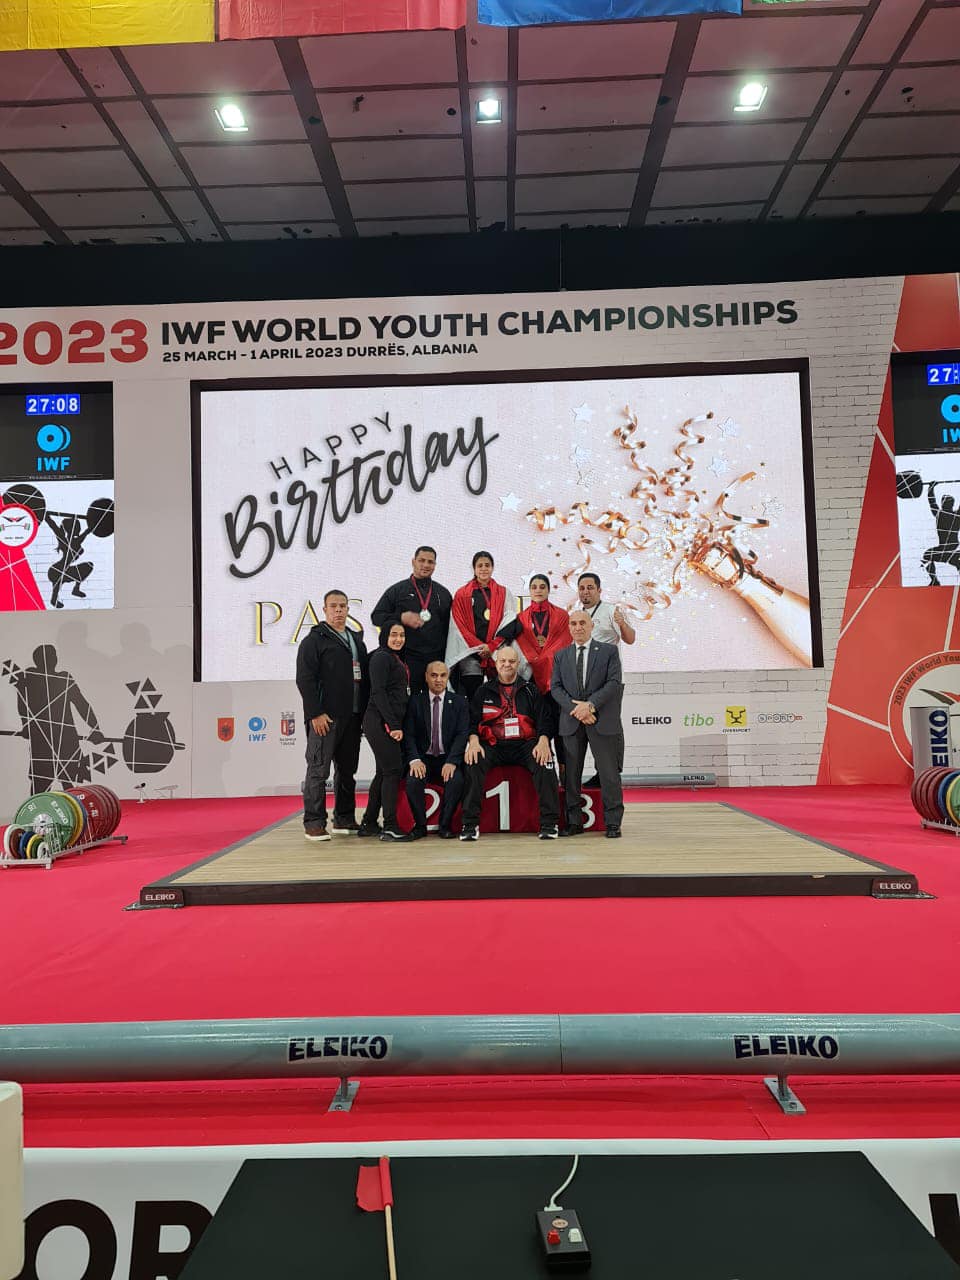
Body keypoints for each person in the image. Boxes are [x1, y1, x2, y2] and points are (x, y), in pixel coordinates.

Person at [460, 645, 560, 841]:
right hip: (493, 744)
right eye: (503, 661)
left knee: (546, 762)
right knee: (473, 761)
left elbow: (544, 720)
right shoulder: (483, 691)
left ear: (518, 664)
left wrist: (543, 740)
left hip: (524, 744)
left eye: (512, 661)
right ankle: (469, 824)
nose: (507, 664)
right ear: (495, 664)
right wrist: (473, 741)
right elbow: (472, 721)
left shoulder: (530, 690)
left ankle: (549, 823)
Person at [295, 589, 369, 842]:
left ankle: (344, 818)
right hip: (325, 718)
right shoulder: (314, 641)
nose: (338, 610)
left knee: (347, 771)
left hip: (353, 716)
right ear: (324, 610)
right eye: (333, 606)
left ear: (348, 609)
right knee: (318, 771)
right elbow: (305, 679)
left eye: (343, 606)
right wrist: (315, 713)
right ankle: (314, 823)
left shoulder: (356, 640)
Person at [552, 611, 625, 839]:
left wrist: (590, 706)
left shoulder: (609, 651)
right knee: (571, 776)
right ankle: (574, 822)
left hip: (602, 720)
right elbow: (556, 688)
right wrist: (578, 710)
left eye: (582, 623)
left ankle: (613, 823)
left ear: (592, 625)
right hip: (572, 722)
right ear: (569, 628)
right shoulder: (560, 655)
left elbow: (614, 683)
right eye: (573, 623)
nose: (578, 627)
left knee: (609, 774)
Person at [574, 572, 634, 779]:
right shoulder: (578, 616)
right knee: (592, 728)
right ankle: (601, 773)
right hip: (586, 682)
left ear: (599, 590)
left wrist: (623, 624)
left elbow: (630, 639)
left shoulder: (610, 611)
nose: (586, 592)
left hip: (610, 681)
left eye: (590, 587)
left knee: (610, 725)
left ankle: (612, 773)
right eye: (582, 588)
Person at [370, 546, 453, 692]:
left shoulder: (443, 593)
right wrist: (401, 617)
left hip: (436, 659)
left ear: (435, 565)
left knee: (435, 700)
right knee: (408, 699)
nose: (426, 565)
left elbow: (451, 628)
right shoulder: (397, 590)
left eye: (430, 562)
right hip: (406, 657)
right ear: (413, 562)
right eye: (421, 560)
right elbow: (376, 616)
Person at [403, 660, 470, 839]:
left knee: (456, 781)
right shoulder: (415, 701)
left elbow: (462, 735)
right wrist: (414, 760)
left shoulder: (459, 702)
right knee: (413, 781)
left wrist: (452, 761)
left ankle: (445, 825)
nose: (438, 680)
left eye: (442, 675)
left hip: (447, 757)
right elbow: (409, 735)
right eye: (433, 675)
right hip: (423, 758)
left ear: (448, 677)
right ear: (426, 677)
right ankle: (420, 826)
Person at [360, 619, 413, 842]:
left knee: (384, 772)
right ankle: (390, 826)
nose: (398, 639)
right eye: (394, 634)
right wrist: (393, 724)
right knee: (392, 770)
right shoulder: (381, 657)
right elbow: (378, 693)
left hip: (385, 721)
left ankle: (369, 823)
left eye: (401, 635)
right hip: (380, 721)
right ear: (385, 636)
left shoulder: (393, 657)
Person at [446, 550, 522, 703]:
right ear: (474, 569)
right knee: (473, 696)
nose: (483, 569)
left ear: (492, 568)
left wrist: (492, 646)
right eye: (479, 565)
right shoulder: (462, 594)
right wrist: (480, 648)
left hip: (497, 652)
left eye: (487, 565)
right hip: (470, 653)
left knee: (499, 695)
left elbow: (510, 622)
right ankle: (474, 719)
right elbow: (458, 625)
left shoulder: (504, 593)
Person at [515, 573, 571, 770]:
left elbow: (564, 643)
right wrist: (537, 659)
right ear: (529, 591)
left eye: (542, 586)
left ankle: (564, 772)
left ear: (548, 590)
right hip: (531, 680)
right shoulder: (520, 618)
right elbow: (520, 645)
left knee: (560, 726)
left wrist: (542, 657)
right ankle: (542, 769)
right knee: (536, 725)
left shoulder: (562, 616)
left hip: (556, 679)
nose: (538, 590)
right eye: (534, 587)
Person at [922, 482, 960, 585]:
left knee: (927, 556)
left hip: (947, 549)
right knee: (927, 556)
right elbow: (932, 502)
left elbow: (932, 501)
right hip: (947, 549)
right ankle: (935, 580)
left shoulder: (940, 514)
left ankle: (934, 580)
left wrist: (931, 488)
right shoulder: (956, 515)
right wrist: (931, 489)